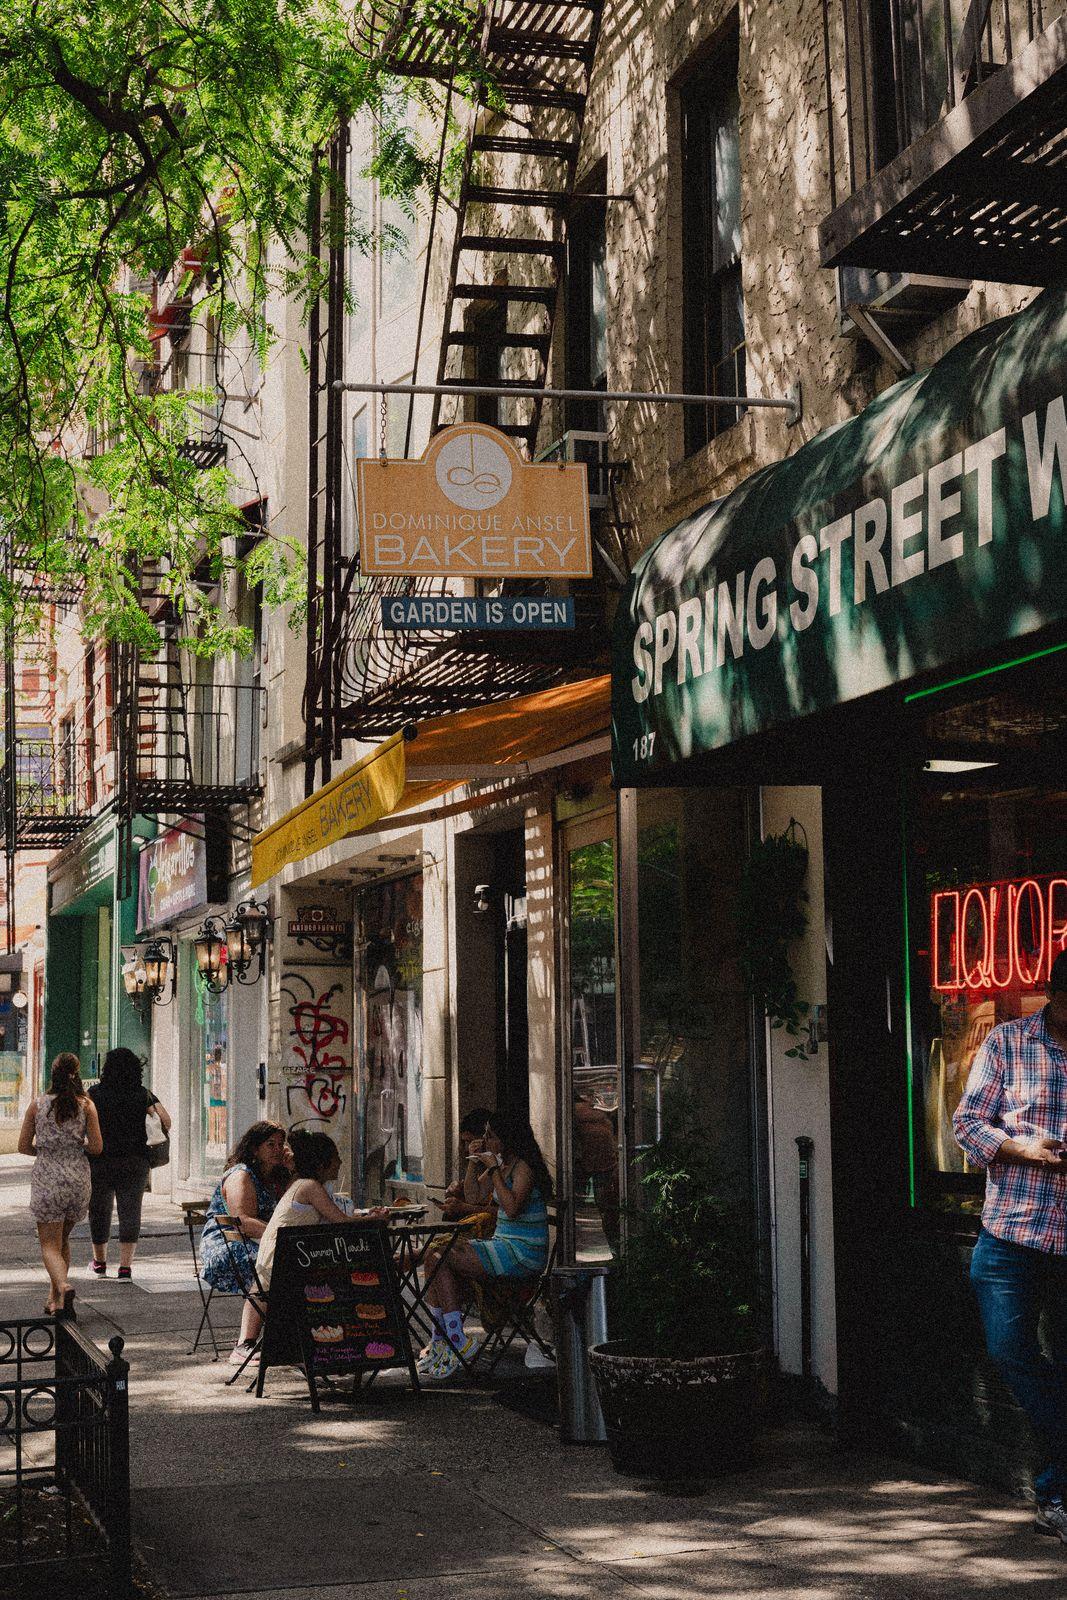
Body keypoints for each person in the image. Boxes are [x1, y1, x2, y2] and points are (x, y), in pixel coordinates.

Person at [953, 948, 1067, 1544]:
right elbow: (967, 1124)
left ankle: (1056, 1495)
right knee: (1008, 1351)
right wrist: (1024, 1148)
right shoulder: (1007, 1042)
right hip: (1011, 1232)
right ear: (1054, 994)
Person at [419, 1109, 551, 1380]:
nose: (486, 1140)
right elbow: (473, 1195)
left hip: (522, 1253)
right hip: (503, 1246)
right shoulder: (502, 1166)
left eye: (491, 1136)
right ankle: (442, 1339)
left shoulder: (523, 1167)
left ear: (506, 1139)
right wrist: (473, 1162)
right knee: (434, 1255)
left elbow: (512, 1208)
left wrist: (492, 1169)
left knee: (442, 1256)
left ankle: (455, 1339)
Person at [254, 1129, 389, 1297]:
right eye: (336, 1157)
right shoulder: (310, 1187)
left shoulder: (301, 1183)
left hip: (279, 1259)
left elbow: (336, 1217)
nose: (340, 1162)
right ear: (321, 1163)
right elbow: (341, 1222)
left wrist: (367, 1217)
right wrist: (374, 1220)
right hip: (282, 1264)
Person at [18, 1053, 103, 1318]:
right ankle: (55, 1299)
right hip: (77, 1180)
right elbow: (97, 1147)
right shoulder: (86, 1105)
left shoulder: (37, 1105)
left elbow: (23, 1146)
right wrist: (73, 1147)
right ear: (77, 1074)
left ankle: (63, 1285)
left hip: (47, 1180)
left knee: (48, 1245)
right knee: (62, 1239)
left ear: (53, 1073)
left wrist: (46, 1151)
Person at [200, 1121, 290, 1365]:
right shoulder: (241, 1174)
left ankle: (287, 1339)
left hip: (261, 1240)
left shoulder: (275, 1176)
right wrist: (282, 1236)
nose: (277, 1149)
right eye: (270, 1144)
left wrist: (292, 1170)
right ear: (254, 1148)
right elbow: (243, 1222)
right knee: (271, 1265)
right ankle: (245, 1344)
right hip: (227, 1244)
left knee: (291, 1262)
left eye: (280, 1144)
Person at [88, 1047, 172, 1279]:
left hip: (100, 1160)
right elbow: (166, 1121)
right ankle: (125, 1267)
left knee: (99, 1210)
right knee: (131, 1211)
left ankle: (99, 1263)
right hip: (135, 1160)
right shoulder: (143, 1094)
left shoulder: (94, 1094)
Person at [437, 1106, 496, 1221]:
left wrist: (464, 1207)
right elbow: (472, 1196)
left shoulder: (500, 1163)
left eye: (470, 1141)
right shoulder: (484, 1166)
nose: (467, 1148)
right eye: (464, 1142)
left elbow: (474, 1199)